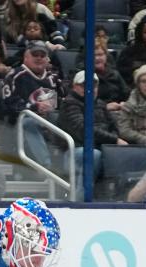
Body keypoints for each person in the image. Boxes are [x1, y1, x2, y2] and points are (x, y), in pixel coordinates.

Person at [58, 69, 126, 198]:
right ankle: (80, 199)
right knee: (93, 155)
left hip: (102, 148)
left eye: (94, 85)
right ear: (75, 86)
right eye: (84, 85)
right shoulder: (70, 103)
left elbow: (113, 127)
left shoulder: (100, 104)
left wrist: (114, 141)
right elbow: (83, 130)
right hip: (73, 152)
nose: (90, 88)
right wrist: (113, 140)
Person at [0, 40, 64, 167]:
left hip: (49, 122)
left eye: (42, 55)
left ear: (47, 59)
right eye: (35, 55)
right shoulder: (15, 76)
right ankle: (47, 166)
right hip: (19, 125)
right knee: (29, 122)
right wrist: (35, 107)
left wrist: (53, 106)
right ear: (26, 57)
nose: (39, 58)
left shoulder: (53, 78)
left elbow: (64, 102)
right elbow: (7, 105)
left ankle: (69, 167)